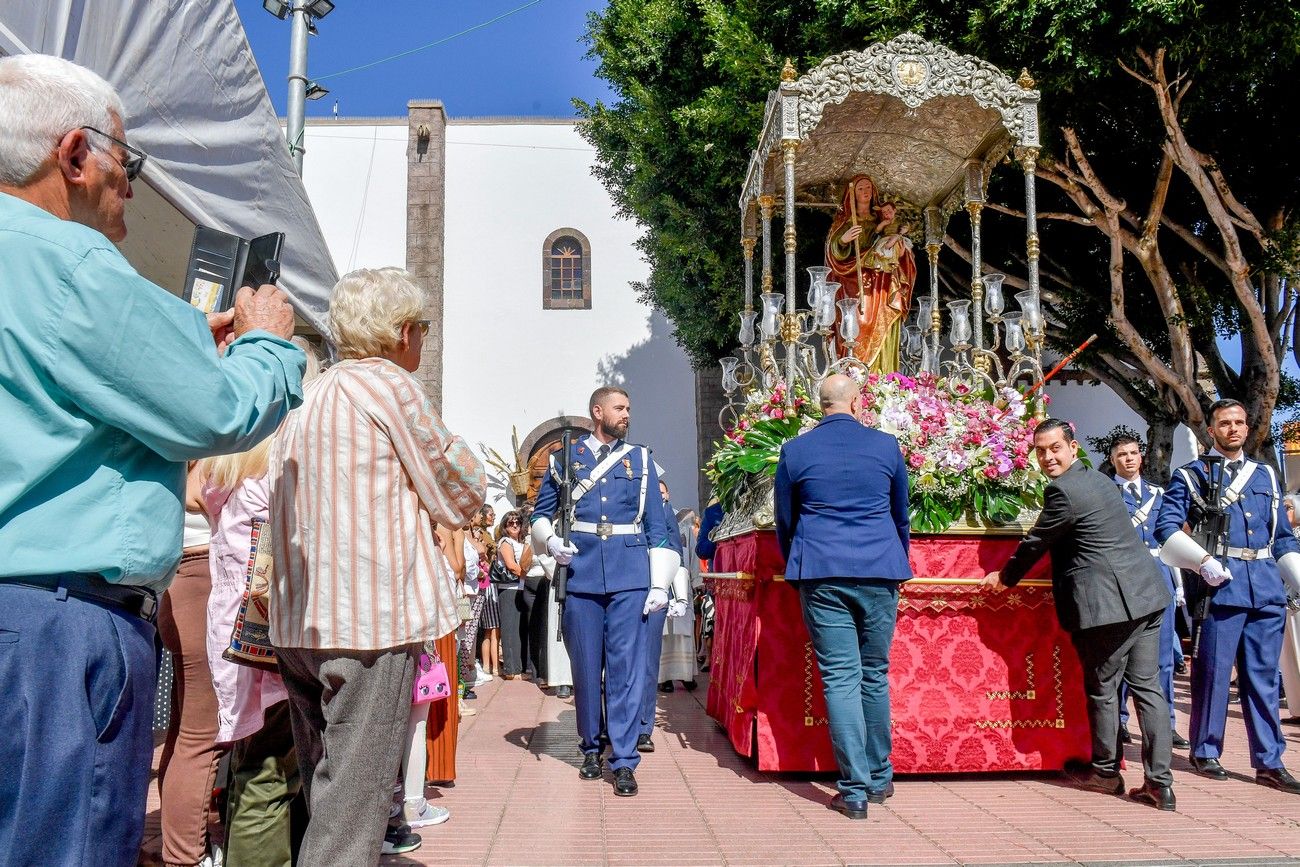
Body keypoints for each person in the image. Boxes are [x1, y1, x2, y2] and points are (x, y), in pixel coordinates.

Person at [0, 54, 304, 867]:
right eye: (125, 162)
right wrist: (269, 340)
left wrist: (175, 344)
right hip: (59, 623)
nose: (129, 184)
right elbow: (220, 411)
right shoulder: (72, 262)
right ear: (73, 155)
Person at [268, 267, 486, 864]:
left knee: (327, 789)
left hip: (300, 620)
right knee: (352, 812)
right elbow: (458, 486)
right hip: (366, 618)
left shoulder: (310, 391)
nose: (423, 340)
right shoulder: (389, 385)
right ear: (399, 333)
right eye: (421, 328)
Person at [984, 419, 1175, 811]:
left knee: (1104, 690)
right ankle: (1160, 784)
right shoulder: (1099, 480)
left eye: (1055, 448)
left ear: (1073, 447)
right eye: (1040, 451)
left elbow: (1036, 542)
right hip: (1147, 595)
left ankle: (1105, 773)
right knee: (1149, 691)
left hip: (1109, 607)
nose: (1048, 457)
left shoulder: (1063, 490)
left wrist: (1005, 578)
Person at [773, 374, 911, 820]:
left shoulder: (796, 450)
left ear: (820, 404)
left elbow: (785, 520)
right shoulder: (886, 446)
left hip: (822, 570)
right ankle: (881, 776)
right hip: (879, 568)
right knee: (874, 673)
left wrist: (801, 561)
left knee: (840, 678)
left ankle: (853, 790)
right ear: (857, 401)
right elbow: (900, 513)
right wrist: (893, 559)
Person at [530, 386, 679, 796]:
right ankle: (591, 747)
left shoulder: (642, 460)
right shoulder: (565, 459)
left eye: (629, 407)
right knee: (585, 667)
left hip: (630, 575)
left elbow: (656, 526)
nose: (627, 414)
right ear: (597, 411)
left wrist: (660, 581)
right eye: (619, 408)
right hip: (581, 574)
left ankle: (625, 759)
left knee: (626, 670)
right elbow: (540, 516)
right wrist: (550, 541)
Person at [1156, 399, 1300, 793]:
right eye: (1225, 423)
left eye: (1239, 422)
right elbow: (1166, 529)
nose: (1233, 429)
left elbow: (1282, 538)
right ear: (1212, 430)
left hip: (1266, 589)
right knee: (1214, 674)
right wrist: (1201, 561)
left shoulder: (1266, 475)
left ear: (1247, 427)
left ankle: (1269, 761)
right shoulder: (1191, 475)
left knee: (1264, 679)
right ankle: (1205, 750)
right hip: (1221, 587)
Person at [154, 465, 226, 867]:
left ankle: (175, 844)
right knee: (201, 735)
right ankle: (185, 856)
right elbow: (198, 495)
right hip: (200, 575)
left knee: (186, 731)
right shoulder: (205, 446)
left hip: (180, 576)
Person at [1109, 434, 1190, 750]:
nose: (1128, 459)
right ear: (1113, 460)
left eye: (1133, 453)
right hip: (1124, 579)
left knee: (1163, 657)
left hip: (1158, 577)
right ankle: (1119, 721)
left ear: (1140, 457)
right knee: (1121, 654)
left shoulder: (1159, 495)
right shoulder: (1108, 495)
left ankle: (1166, 724)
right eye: (1121, 455)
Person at [825, 174, 917, 373]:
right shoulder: (844, 222)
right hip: (854, 283)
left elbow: (896, 244)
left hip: (882, 282)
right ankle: (855, 375)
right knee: (859, 324)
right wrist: (843, 241)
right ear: (852, 194)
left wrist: (900, 250)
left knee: (884, 323)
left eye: (868, 188)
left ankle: (883, 378)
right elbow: (832, 254)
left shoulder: (882, 219)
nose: (865, 192)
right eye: (860, 188)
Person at [637, 479, 690, 750]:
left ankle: (643, 726)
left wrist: (679, 594)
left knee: (647, 662)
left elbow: (674, 550)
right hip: (620, 586)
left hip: (653, 588)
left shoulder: (663, 509)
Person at [660, 507, 699, 693]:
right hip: (662, 583)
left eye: (663, 492)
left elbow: (692, 552)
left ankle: (686, 675)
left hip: (681, 580)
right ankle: (664, 678)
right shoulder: (652, 519)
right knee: (663, 634)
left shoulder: (682, 524)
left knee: (684, 633)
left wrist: (696, 579)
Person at [495, 510, 532, 679]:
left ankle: (520, 667)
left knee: (520, 629)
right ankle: (511, 669)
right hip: (508, 589)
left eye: (517, 522)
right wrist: (528, 575)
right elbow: (511, 565)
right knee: (510, 629)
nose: (515, 525)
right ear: (505, 525)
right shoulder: (505, 542)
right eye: (511, 523)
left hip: (520, 587)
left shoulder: (522, 541)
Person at [1283, 494, 1300, 721]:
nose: (1285, 512)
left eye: (1289, 507)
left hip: (1297, 601)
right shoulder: (1285, 536)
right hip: (1286, 604)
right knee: (1290, 661)